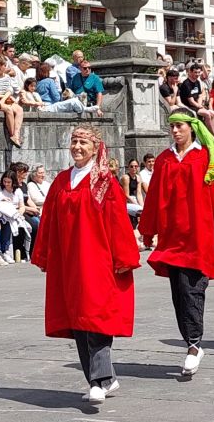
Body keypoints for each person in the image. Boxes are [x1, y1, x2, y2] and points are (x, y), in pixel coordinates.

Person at [34, 124, 138, 406]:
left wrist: (124, 258)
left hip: (98, 260)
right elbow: (48, 222)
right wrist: (44, 255)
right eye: (74, 142)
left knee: (97, 317)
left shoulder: (104, 182)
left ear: (95, 148)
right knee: (77, 320)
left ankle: (98, 380)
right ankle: (102, 379)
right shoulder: (61, 181)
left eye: (83, 142)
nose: (77, 147)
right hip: (69, 262)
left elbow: (118, 222)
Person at [139, 109, 214, 378]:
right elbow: (154, 198)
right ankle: (190, 341)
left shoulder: (206, 157)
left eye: (180, 126)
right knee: (178, 294)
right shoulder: (163, 160)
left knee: (192, 289)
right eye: (172, 127)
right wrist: (147, 231)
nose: (175, 131)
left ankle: (194, 345)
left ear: (192, 128)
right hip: (172, 238)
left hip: (200, 236)